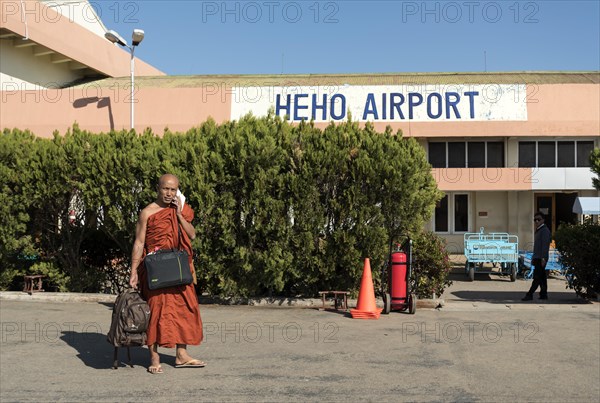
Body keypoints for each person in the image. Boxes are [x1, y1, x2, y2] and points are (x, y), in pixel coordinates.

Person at [129, 173, 204, 374]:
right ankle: (154, 358)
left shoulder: (179, 209)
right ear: (158, 188)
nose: (169, 193)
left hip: (179, 267)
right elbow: (139, 242)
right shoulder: (147, 213)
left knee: (186, 309)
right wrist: (133, 270)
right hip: (155, 269)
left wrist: (179, 215)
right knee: (155, 312)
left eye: (173, 189)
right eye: (165, 189)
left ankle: (182, 355)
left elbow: (192, 234)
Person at [522, 211, 552, 301]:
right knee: (542, 277)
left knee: (537, 277)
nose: (536, 221)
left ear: (543, 220)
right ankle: (543, 294)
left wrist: (543, 258)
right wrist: (533, 257)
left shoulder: (545, 231)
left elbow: (545, 245)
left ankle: (529, 294)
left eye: (538, 219)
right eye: (535, 220)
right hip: (537, 257)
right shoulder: (539, 230)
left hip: (541, 257)